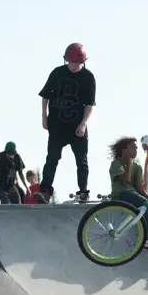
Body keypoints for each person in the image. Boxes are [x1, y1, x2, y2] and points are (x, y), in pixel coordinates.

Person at [35, 42, 95, 203]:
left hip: (77, 126)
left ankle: (83, 191)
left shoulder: (88, 77)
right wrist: (44, 117)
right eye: (71, 62)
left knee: (81, 160)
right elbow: (45, 96)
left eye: (77, 63)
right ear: (66, 60)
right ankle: (45, 190)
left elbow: (90, 105)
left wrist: (83, 124)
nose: (74, 66)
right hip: (57, 124)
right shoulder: (57, 73)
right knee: (52, 158)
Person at [108, 136, 148, 240]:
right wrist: (128, 162)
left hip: (134, 194)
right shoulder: (116, 163)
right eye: (133, 147)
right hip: (121, 194)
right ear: (124, 150)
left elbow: (139, 187)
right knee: (141, 202)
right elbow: (125, 180)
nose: (136, 150)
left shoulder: (137, 166)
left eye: (137, 148)